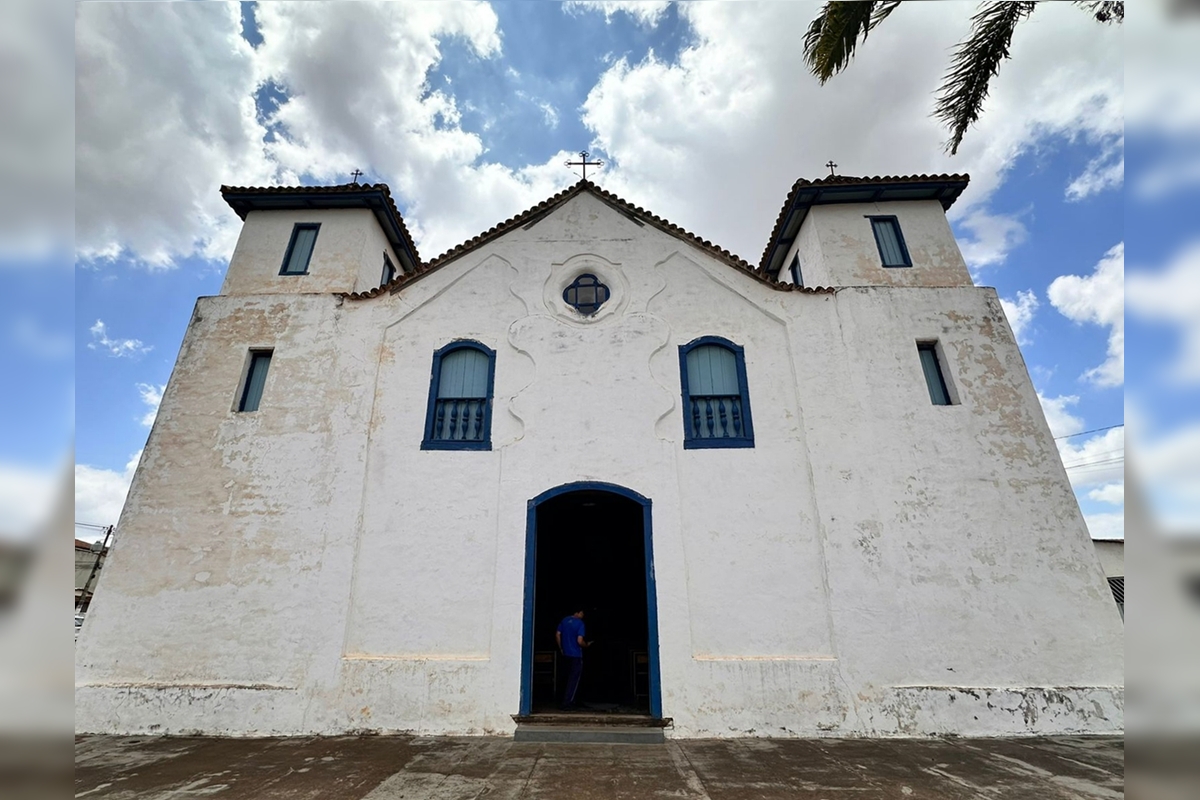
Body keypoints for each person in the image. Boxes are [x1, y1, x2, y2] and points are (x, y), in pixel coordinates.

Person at [555, 607, 591, 710]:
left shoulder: (564, 620)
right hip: (576, 655)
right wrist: (586, 645)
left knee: (565, 677)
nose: (583, 616)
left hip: (566, 654)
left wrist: (561, 648)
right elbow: (580, 641)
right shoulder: (580, 623)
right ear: (579, 613)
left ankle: (563, 699)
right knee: (574, 679)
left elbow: (557, 635)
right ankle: (568, 702)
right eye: (582, 613)